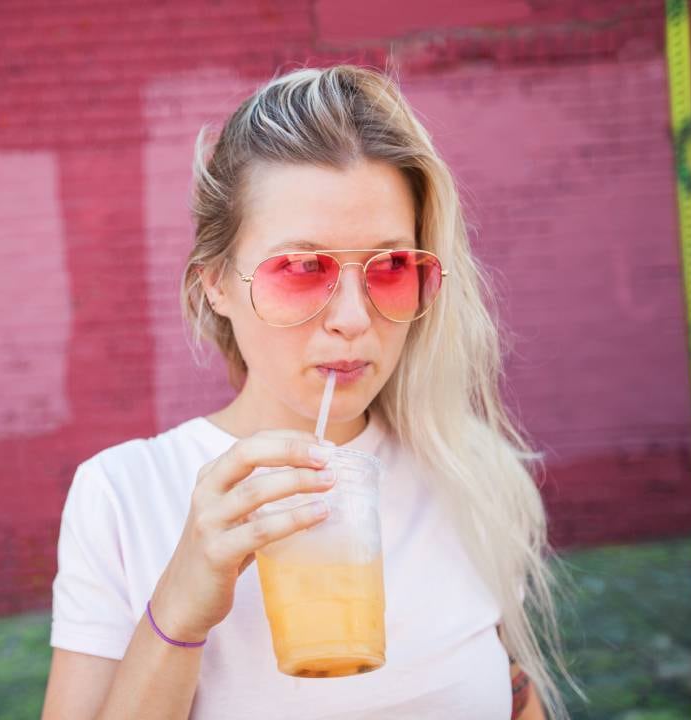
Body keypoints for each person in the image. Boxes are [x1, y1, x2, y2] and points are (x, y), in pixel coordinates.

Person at [42, 65, 570, 719]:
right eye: (301, 267)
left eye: (392, 266)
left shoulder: (467, 470)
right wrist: (178, 606)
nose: (352, 317)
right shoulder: (125, 495)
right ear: (215, 282)